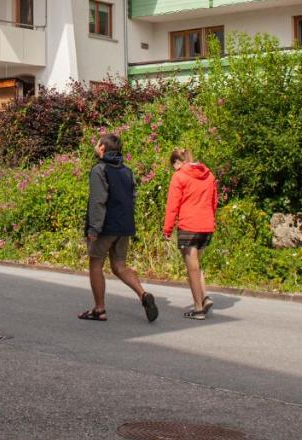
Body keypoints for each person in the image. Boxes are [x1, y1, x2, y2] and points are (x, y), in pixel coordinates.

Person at [78, 132, 158, 323]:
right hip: (124, 226)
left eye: (97, 144)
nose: (95, 146)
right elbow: (132, 199)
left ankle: (99, 309)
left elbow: (98, 202)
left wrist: (93, 229)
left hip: (105, 226)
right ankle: (143, 294)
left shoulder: (99, 169)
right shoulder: (127, 171)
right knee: (119, 266)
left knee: (95, 264)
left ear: (102, 148)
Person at [163, 147, 218, 320]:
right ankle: (205, 297)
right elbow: (214, 202)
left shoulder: (179, 176)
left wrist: (167, 229)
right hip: (207, 225)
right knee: (196, 266)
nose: (175, 169)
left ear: (178, 162)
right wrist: (209, 218)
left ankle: (198, 308)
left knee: (191, 268)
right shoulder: (209, 176)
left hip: (189, 225)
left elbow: (173, 206)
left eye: (174, 166)